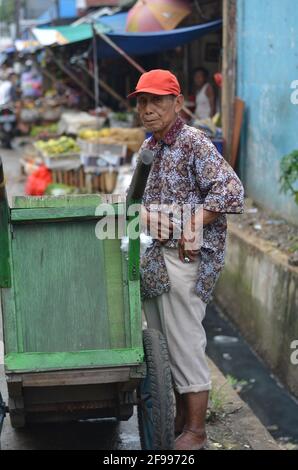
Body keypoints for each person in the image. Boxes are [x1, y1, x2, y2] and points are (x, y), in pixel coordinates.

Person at [127, 69, 244, 450]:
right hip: (156, 256)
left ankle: (196, 429)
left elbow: (231, 193)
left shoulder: (193, 142)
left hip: (185, 257)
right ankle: (177, 416)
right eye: (142, 101)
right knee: (162, 343)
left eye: (157, 100)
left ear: (177, 103)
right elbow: (134, 201)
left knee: (185, 342)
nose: (147, 109)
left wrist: (193, 221)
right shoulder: (152, 147)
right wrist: (143, 216)